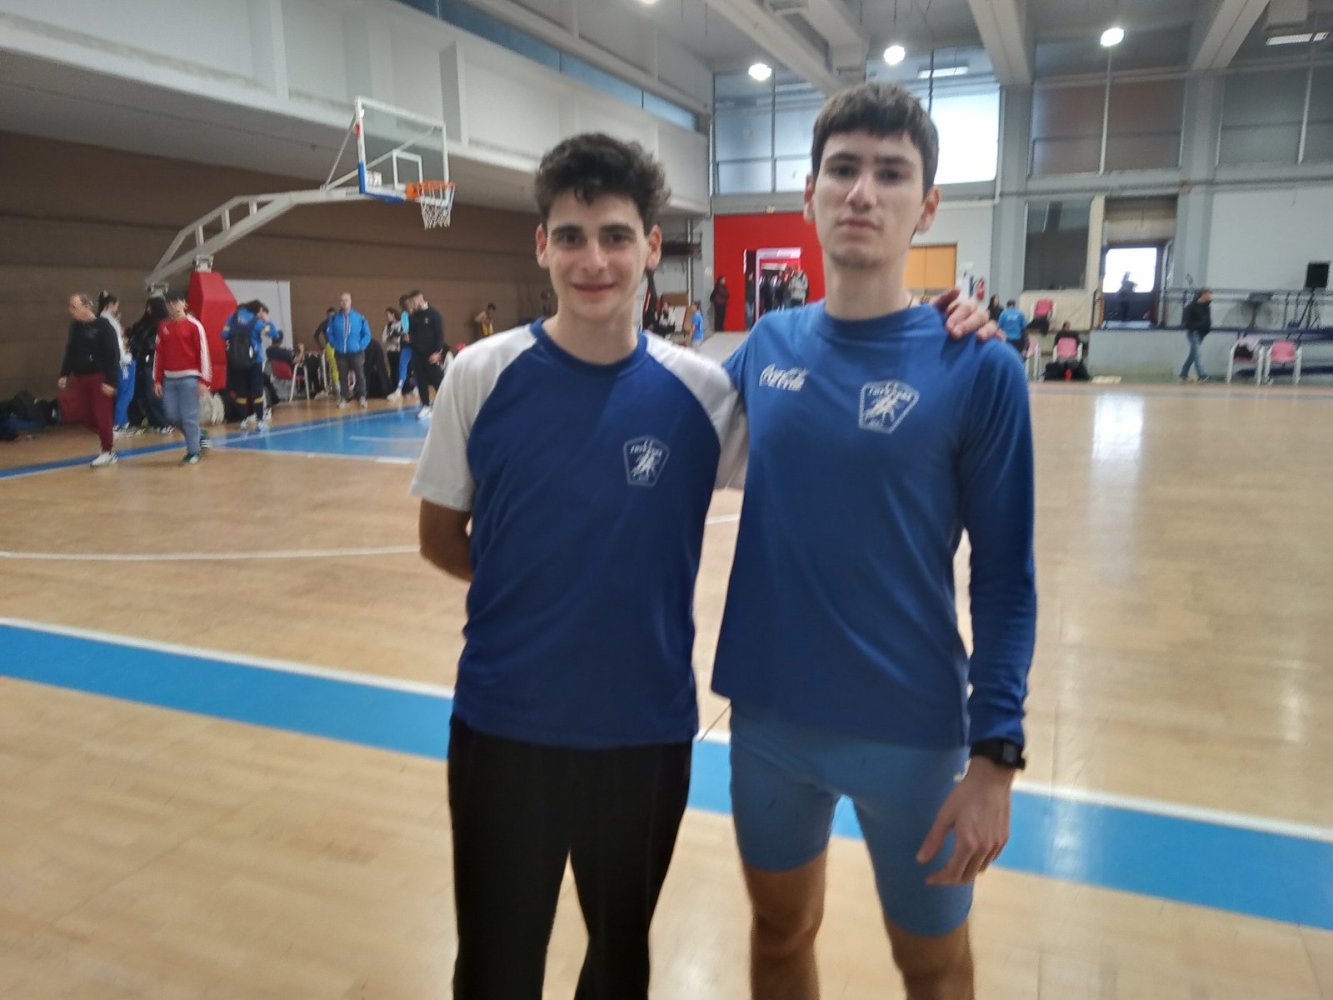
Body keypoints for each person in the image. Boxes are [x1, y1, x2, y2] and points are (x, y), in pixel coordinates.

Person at [410, 131, 997, 1000]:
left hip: (642, 734)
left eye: (616, 236)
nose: (593, 260)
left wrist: (930, 330)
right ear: (540, 246)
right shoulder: (478, 374)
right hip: (503, 727)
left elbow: (827, 422)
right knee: (494, 968)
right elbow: (439, 538)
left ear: (652, 245)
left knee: (620, 964)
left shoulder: (706, 393)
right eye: (569, 237)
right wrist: (543, 596)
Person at [713, 81, 1035, 1000]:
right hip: (770, 722)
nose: (862, 192)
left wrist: (995, 759)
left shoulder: (979, 366)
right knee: (780, 932)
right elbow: (657, 426)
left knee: (930, 966)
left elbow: (1004, 580)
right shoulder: (768, 343)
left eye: (890, 174)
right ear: (808, 192)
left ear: (925, 206)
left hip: (912, 734)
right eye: (842, 169)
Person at [57, 292, 120, 466]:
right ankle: (108, 433)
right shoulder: (75, 327)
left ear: (86, 306)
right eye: (70, 306)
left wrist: (111, 381)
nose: (71, 310)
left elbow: (113, 354)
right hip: (81, 376)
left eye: (74, 306)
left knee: (102, 413)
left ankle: (107, 451)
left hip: (99, 377)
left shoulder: (103, 326)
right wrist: (64, 373)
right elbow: (70, 350)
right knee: (83, 414)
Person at [153, 289, 212, 465]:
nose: (173, 306)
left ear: (184, 304)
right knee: (171, 415)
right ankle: (198, 435)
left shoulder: (195, 326)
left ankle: (193, 451)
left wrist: (204, 380)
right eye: (169, 303)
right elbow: (159, 354)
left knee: (189, 417)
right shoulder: (163, 326)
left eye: (176, 302)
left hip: (190, 379)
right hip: (169, 379)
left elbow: (203, 353)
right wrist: (157, 379)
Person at [221, 299, 282, 429]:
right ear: (259, 310)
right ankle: (260, 421)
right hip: (254, 361)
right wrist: (267, 320)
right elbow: (274, 334)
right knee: (257, 391)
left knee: (240, 392)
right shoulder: (256, 322)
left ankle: (243, 421)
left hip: (236, 361)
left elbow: (224, 334)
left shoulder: (232, 317)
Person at [124, 296, 172, 433]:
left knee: (152, 394)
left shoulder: (163, 324)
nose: (148, 310)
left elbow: (153, 345)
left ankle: (162, 423)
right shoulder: (144, 323)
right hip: (139, 362)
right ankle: (142, 420)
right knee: (139, 394)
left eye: (150, 307)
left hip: (151, 363)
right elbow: (135, 332)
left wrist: (134, 343)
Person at [326, 293, 372, 409]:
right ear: (340, 303)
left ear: (351, 301)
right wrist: (335, 345)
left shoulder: (359, 317)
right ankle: (344, 398)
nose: (344, 302)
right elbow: (329, 334)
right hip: (340, 353)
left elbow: (367, 334)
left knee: (360, 375)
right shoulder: (334, 318)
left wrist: (360, 346)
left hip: (356, 352)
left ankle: (362, 397)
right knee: (342, 376)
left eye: (346, 300)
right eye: (342, 300)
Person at [406, 289, 445, 421]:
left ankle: (446, 406)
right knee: (421, 383)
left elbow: (439, 335)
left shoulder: (434, 314)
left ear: (420, 299)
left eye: (413, 302)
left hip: (431, 356)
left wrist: (437, 352)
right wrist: (408, 339)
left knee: (439, 382)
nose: (411, 305)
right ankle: (425, 406)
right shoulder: (412, 317)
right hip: (417, 356)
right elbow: (411, 336)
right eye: (410, 303)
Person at [387, 295, 416, 402]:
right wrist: (404, 334)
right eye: (404, 304)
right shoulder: (404, 314)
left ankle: (417, 387)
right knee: (402, 366)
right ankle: (399, 390)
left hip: (417, 345)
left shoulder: (417, 314)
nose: (407, 305)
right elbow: (405, 328)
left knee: (417, 367)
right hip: (406, 345)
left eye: (408, 303)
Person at [1180, 288, 1212, 383]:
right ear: (1203, 295)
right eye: (1208, 294)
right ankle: (1201, 375)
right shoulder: (1191, 307)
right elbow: (1185, 321)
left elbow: (1207, 320)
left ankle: (1183, 373)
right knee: (1197, 354)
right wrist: (1195, 326)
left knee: (1193, 354)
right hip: (1194, 333)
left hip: (1202, 333)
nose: (1210, 297)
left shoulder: (1207, 307)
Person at [313, 307, 337, 396]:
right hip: (329, 346)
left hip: (339, 346)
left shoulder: (338, 323)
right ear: (327, 316)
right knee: (331, 367)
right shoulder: (324, 324)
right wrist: (321, 346)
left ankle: (337, 386)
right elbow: (316, 335)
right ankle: (331, 387)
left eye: (333, 316)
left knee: (338, 367)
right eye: (329, 316)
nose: (331, 317)